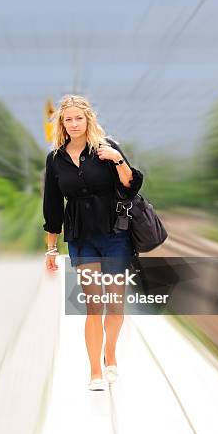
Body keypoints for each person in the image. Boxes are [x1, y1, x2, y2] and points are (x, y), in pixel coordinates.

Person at [42, 94, 143, 391]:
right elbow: (51, 205)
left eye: (79, 118)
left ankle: (110, 353)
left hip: (114, 236)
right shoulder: (55, 159)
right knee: (93, 306)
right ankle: (95, 372)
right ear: (62, 123)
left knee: (114, 305)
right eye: (68, 119)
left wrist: (118, 160)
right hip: (81, 239)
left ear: (88, 120)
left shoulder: (106, 148)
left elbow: (131, 185)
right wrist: (51, 247)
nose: (74, 124)